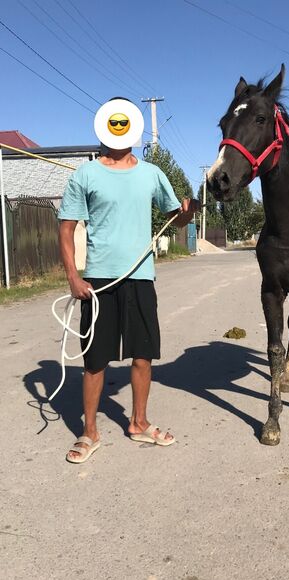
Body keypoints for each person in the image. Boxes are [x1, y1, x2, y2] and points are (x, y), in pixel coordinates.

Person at [58, 108, 199, 463]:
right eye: (113, 124)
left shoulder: (152, 174)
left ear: (132, 130)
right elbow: (65, 228)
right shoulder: (85, 174)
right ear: (105, 129)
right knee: (94, 359)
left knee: (142, 353)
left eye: (124, 124)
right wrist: (74, 275)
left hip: (139, 277)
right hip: (99, 281)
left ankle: (139, 423)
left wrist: (189, 209)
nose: (118, 130)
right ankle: (89, 432)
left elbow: (175, 216)